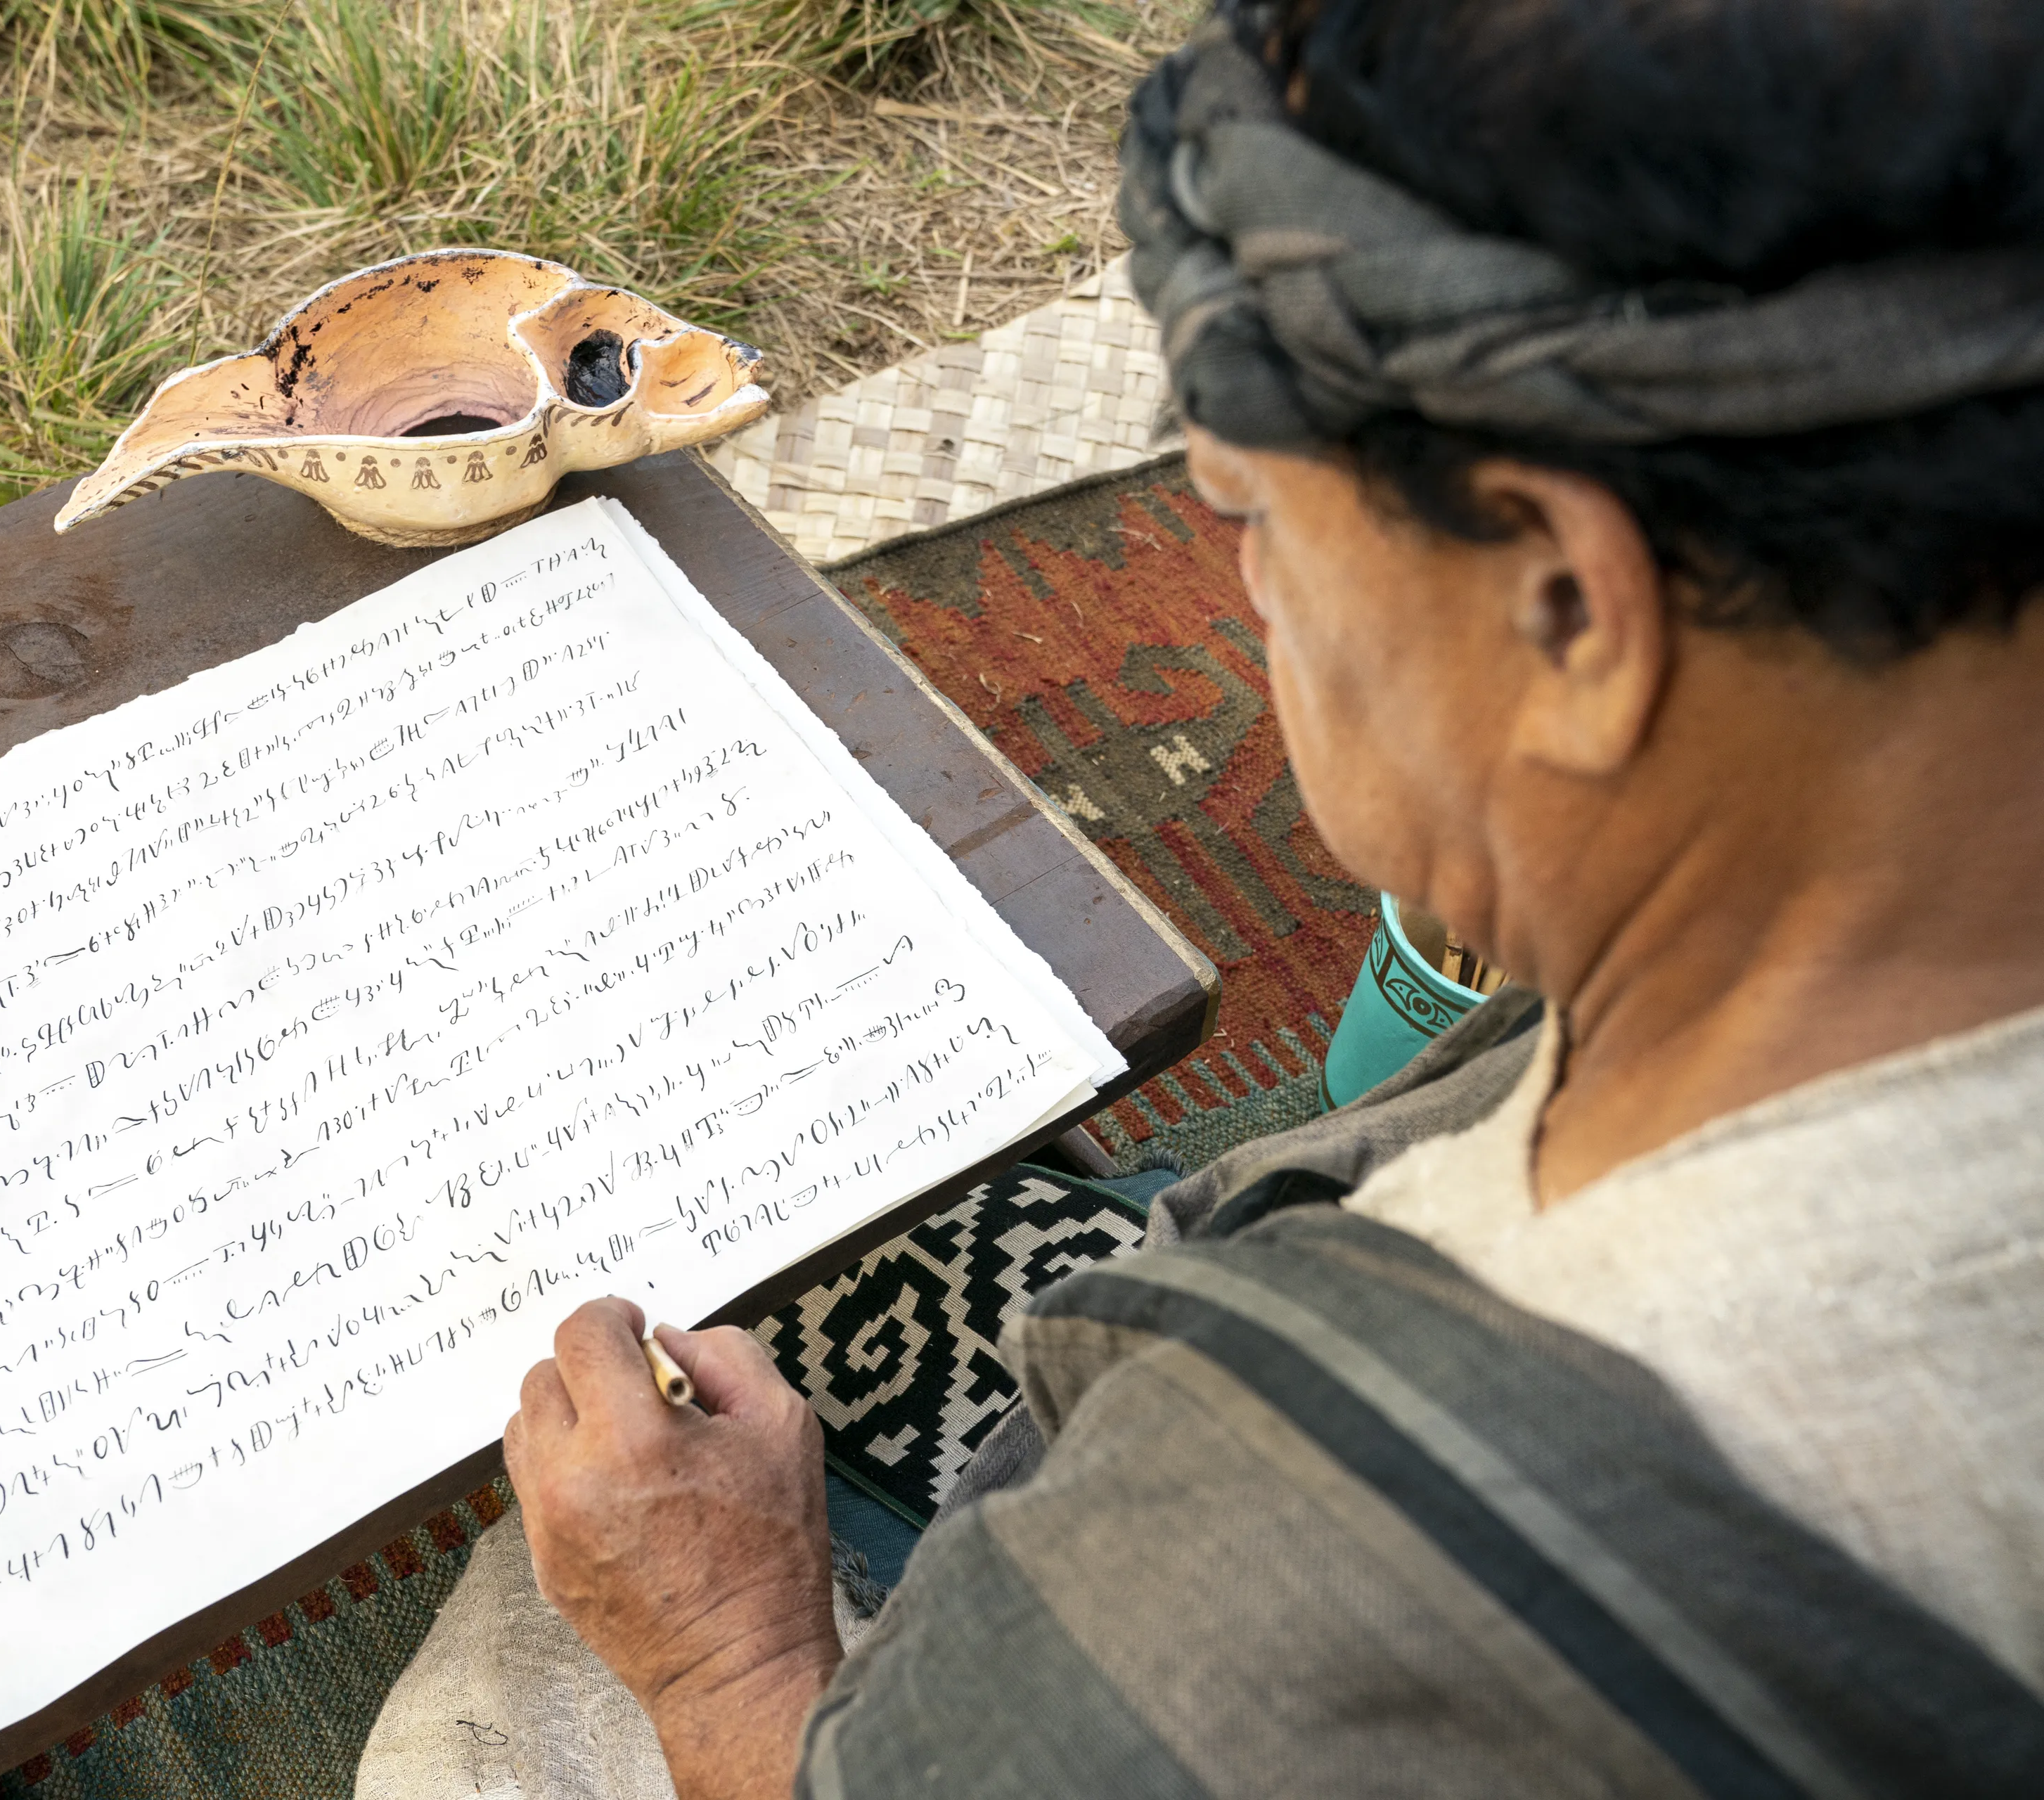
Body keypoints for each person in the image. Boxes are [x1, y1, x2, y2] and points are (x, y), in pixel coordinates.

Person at [362, 1, 2044, 1792]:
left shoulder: (1277, 1540)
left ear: (1568, 605)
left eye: (1250, 511)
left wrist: (724, 1648)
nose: (1241, 578)